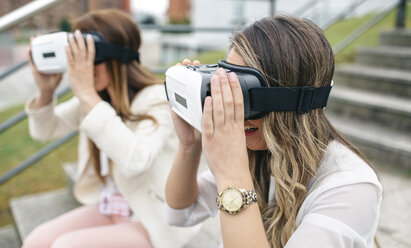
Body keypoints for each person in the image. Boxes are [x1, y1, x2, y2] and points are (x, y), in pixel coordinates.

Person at [165, 15, 382, 248]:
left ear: (286, 101)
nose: (232, 105)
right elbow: (181, 212)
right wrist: (190, 145)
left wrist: (231, 175)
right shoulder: (259, 150)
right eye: (227, 82)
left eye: (242, 91)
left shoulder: (350, 187)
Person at [23, 9, 182, 248]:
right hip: (112, 206)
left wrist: (87, 94)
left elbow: (136, 161)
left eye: (89, 54)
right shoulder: (97, 99)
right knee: (36, 241)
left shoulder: (156, 98)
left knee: (66, 246)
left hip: (152, 218)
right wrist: (46, 91)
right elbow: (44, 130)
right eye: (76, 53)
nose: (82, 64)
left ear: (115, 57)